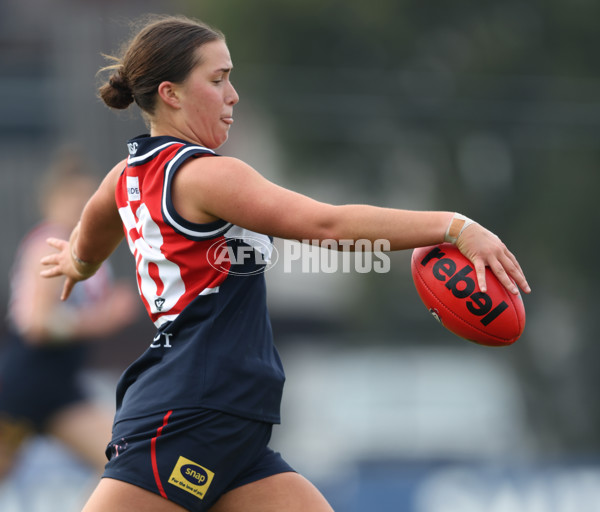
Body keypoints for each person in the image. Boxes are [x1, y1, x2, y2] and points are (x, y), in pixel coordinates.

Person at [40, 14, 531, 512]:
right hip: (189, 414)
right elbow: (328, 226)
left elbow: (96, 224)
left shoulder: (126, 176)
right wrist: (455, 226)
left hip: (232, 426)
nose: (232, 95)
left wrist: (79, 260)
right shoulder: (206, 177)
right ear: (170, 93)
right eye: (218, 79)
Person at [0, 147, 139, 482]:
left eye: (88, 196)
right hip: (23, 385)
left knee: (125, 462)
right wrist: (102, 319)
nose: (81, 205)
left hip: (59, 388)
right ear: (51, 199)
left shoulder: (86, 252)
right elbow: (36, 326)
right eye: (72, 196)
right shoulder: (48, 245)